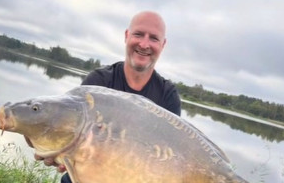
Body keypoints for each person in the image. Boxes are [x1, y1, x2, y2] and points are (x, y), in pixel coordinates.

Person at [33, 11, 181, 183]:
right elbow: (72, 136)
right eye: (138, 34)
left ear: (163, 44)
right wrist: (58, 151)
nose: (144, 44)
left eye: (154, 38)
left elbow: (169, 160)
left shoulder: (168, 96)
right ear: (127, 36)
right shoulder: (97, 83)